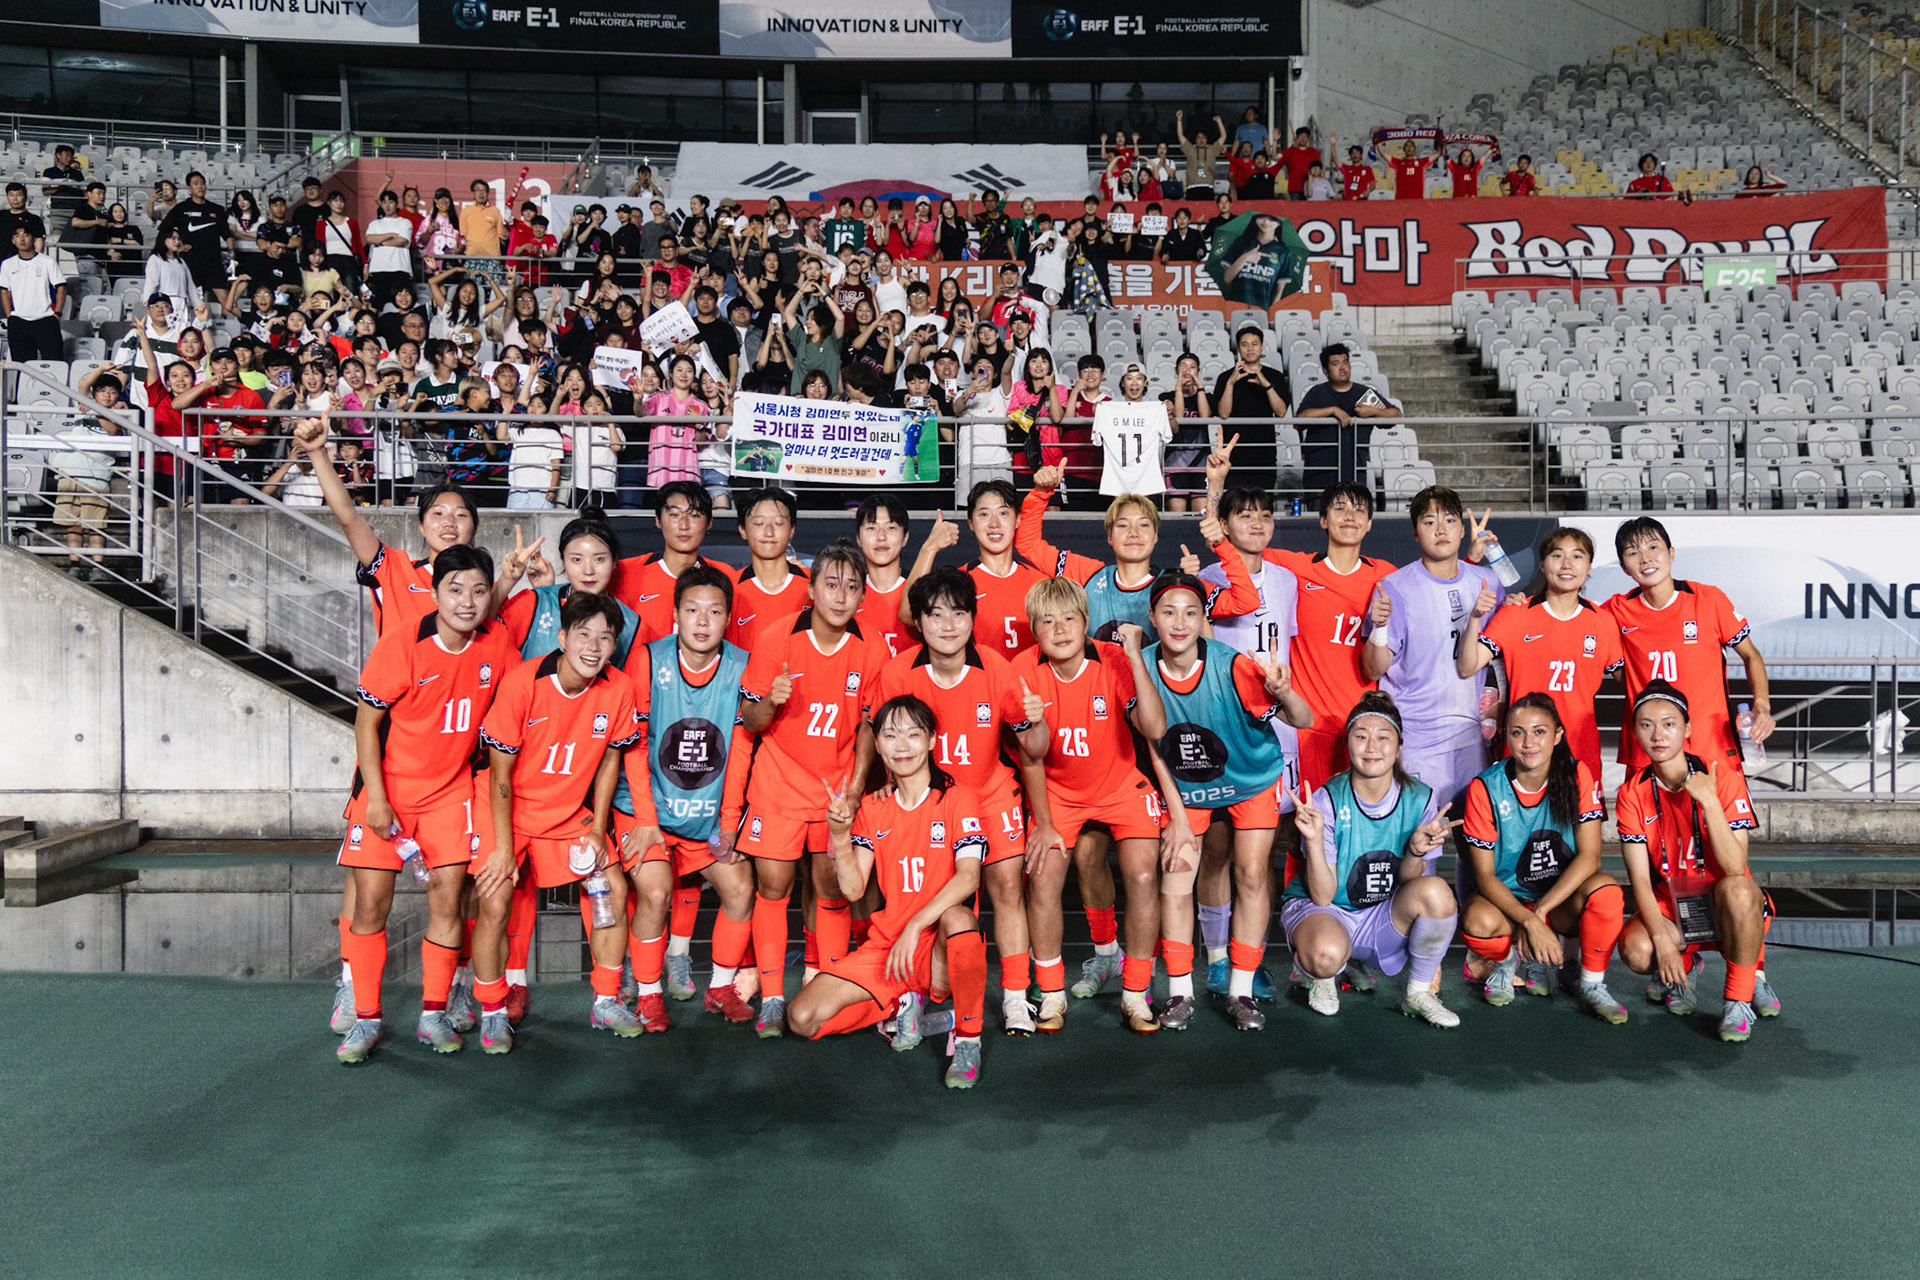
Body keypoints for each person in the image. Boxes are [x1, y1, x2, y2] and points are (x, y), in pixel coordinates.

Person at [331, 545, 520, 1064]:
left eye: (479, 591)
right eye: (455, 589)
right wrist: (377, 798)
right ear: (435, 592)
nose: (467, 601)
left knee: (446, 899)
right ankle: (365, 1017)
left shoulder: (497, 644)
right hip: (387, 792)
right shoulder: (402, 643)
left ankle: (433, 1012)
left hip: (450, 795)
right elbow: (367, 723)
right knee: (371, 904)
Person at [471, 592, 649, 1053]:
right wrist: (504, 847)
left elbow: (611, 760)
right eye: (584, 634)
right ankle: (492, 1008)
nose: (594, 646)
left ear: (614, 645)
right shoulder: (522, 683)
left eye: (605, 638)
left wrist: (596, 829)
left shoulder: (619, 688)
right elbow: (500, 777)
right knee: (495, 897)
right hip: (509, 808)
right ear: (562, 637)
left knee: (611, 886)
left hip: (569, 813)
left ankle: (606, 999)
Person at [785, 694, 991, 1089]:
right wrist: (841, 838)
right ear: (877, 744)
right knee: (802, 1018)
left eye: (913, 735)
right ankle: (902, 1009)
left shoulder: (957, 799)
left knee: (961, 919)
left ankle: (967, 1039)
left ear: (931, 741)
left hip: (937, 948)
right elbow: (853, 888)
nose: (902, 746)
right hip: (887, 948)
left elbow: (969, 878)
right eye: (891, 736)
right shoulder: (873, 809)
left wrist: (914, 926)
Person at [873, 567, 1043, 1035]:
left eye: (959, 613)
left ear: (973, 619)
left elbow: (1036, 747)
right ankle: (918, 992)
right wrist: (887, 780)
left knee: (1007, 888)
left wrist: (1034, 721)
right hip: (929, 805)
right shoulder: (897, 673)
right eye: (935, 614)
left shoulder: (997, 668)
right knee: (926, 902)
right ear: (919, 621)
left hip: (988, 794)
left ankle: (1013, 996)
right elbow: (880, 737)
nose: (948, 625)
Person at [1145, 571, 1312, 1031]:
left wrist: (1283, 691)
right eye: (1169, 612)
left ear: (1204, 619)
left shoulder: (1233, 665)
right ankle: (1179, 993)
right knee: (1177, 871)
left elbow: (1304, 717)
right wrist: (1176, 816)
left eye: (1191, 613)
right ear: (1153, 618)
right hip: (1188, 786)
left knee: (1252, 872)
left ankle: (1241, 989)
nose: (1180, 623)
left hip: (1251, 777)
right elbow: (1152, 744)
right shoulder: (1140, 667)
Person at [736, 540, 884, 1038]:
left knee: (830, 889)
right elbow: (751, 720)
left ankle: (827, 978)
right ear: (812, 588)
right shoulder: (778, 636)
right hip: (777, 783)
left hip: (835, 789)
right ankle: (774, 996)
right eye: (831, 584)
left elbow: (869, 726)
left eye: (851, 587)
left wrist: (857, 787)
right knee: (774, 888)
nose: (840, 596)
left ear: (862, 595)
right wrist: (771, 703)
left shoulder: (872, 647)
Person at [1014, 577, 1170, 1033]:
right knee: (1043, 875)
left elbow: (1156, 728)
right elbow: (1032, 755)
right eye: (1047, 621)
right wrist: (1043, 824)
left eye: (1069, 619)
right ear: (1033, 629)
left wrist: (1137, 660)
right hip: (1059, 791)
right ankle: (1051, 992)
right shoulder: (1023, 670)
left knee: (1142, 874)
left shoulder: (1114, 659)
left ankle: (1137, 993)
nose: (1060, 630)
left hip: (1121, 784)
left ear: (1086, 623)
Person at [1282, 692, 1462, 1026]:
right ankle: (1318, 974)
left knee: (1437, 892)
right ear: (1348, 745)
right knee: (1325, 955)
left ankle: (1418, 994)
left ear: (1399, 748)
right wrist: (1314, 841)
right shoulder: (1327, 798)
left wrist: (1416, 852)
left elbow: (1413, 890)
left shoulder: (1420, 797)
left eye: (1383, 737)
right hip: (1328, 908)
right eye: (1361, 737)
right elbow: (1322, 895)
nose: (1371, 747)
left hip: (1379, 916)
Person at [1614, 681, 1777, 1042]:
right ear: (1635, 731)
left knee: (1738, 889)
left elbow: (1736, 867)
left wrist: (1710, 803)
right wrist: (1663, 943)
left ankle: (1739, 998)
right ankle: (1686, 964)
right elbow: (1639, 879)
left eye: (1669, 724)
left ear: (1687, 729)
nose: (1658, 735)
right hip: (1673, 907)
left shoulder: (1723, 777)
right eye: (1646, 725)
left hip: (1727, 904)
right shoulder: (1630, 794)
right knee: (1638, 951)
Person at [1458, 694, 1628, 1021]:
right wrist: (1528, 921)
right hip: (1508, 902)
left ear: (1558, 736)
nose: (1528, 742)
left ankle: (1591, 984)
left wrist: (1541, 913)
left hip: (1559, 901)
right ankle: (1506, 961)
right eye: (1517, 732)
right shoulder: (1486, 787)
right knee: (1475, 922)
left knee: (1607, 893)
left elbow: (1590, 857)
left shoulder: (1578, 775)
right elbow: (1484, 877)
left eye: (1539, 732)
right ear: (1505, 736)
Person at [1362, 487, 1507, 816]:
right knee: (1416, 843)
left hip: (1469, 737)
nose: (1441, 529)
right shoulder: (1395, 587)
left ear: (1461, 530)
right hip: (1415, 737)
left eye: (1450, 520)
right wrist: (1380, 628)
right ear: (1415, 533)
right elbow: (1372, 669)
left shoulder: (1488, 583)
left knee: (1474, 844)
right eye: (1429, 522)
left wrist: (1497, 559)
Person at [1605, 517, 1772, 774]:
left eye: (1653, 547)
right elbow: (1566, 618)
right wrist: (1521, 605)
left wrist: (1761, 705)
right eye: (1633, 552)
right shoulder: (1615, 611)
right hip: (1648, 749)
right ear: (1624, 567)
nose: (1645, 558)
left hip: (1711, 745)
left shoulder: (1708, 600)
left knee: (1719, 814)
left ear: (1671, 554)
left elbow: (1750, 655)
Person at [1457, 526, 1623, 781]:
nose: (1567, 564)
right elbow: (1467, 666)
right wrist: (1475, 618)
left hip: (1580, 753)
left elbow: (1632, 682)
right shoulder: (1516, 613)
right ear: (1543, 565)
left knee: (1582, 821)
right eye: (1557, 556)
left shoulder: (1603, 622)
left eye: (1577, 556)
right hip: (1523, 754)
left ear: (1589, 568)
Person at [1018, 464, 1254, 639]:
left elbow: (1246, 602)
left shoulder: (1173, 587)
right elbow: (1027, 544)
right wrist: (1041, 493)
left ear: (1155, 536)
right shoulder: (1087, 573)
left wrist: (1222, 545)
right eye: (1122, 525)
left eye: (1143, 525)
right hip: (1100, 698)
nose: (1133, 533)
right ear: (1109, 536)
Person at [901, 481, 1049, 662]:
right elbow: (909, 613)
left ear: (1017, 519)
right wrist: (929, 549)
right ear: (970, 523)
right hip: (980, 685)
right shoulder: (958, 583)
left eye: (1003, 513)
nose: (994, 523)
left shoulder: (1041, 583)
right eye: (984, 514)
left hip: (1030, 687)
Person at [1294, 343, 1403, 492]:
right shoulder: (1317, 392)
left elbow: (1396, 415)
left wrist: (1373, 411)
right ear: (1325, 370)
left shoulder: (1364, 392)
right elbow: (1300, 419)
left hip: (1354, 473)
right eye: (1335, 363)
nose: (1342, 367)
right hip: (1319, 475)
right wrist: (1332, 410)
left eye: (1345, 362)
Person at [53, 369, 127, 580]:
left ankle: (97, 567)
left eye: (112, 392)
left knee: (96, 527)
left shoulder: (121, 414)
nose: (107, 395)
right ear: (94, 393)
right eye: (102, 391)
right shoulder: (82, 405)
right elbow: (84, 385)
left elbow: (113, 431)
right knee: (73, 525)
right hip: (70, 474)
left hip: (97, 479)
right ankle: (75, 565)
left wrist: (97, 411)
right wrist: (102, 369)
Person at [1211, 326, 1290, 495]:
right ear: (1238, 348)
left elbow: (1281, 411)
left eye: (1254, 344)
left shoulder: (1275, 376)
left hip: (1265, 454)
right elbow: (1223, 413)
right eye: (1245, 344)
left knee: (1261, 504)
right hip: (1234, 455)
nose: (1250, 348)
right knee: (1236, 507)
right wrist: (1231, 384)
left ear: (1262, 347)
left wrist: (1266, 384)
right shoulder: (1225, 377)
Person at [852, 493, 916, 659]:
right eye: (871, 528)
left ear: (905, 537)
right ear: (858, 538)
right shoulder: (846, 594)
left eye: (891, 528)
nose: (881, 537)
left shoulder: (923, 590)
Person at [154, 171, 228, 297]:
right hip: (190, 262)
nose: (200, 186)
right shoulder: (181, 209)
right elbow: (164, 231)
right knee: (191, 301)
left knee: (225, 301)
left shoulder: (217, 210)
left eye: (202, 183)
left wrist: (231, 246)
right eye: (195, 184)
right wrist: (178, 248)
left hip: (213, 262)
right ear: (189, 188)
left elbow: (227, 234)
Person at [0, 224, 67, 361]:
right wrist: (10, 316)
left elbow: (61, 287)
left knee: (54, 364)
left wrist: (57, 313)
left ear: (33, 239)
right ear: (13, 240)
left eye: (25, 235)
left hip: (46, 320)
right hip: (19, 322)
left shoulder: (47, 261)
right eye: (17, 236)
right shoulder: (7, 264)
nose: (22, 239)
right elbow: (5, 291)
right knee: (22, 368)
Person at [1176, 110, 1227, 194]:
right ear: (1195, 140)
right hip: (1192, 187)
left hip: (1208, 187)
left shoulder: (1212, 149)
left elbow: (1224, 136)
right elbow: (1180, 136)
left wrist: (1219, 122)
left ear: (1207, 139)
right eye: (1198, 138)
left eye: (1203, 138)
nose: (1201, 140)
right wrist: (1179, 119)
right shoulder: (1190, 149)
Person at [1, 182, 47, 261]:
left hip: (22, 261)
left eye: (19, 195)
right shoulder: (1, 215)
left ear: (25, 197)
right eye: (11, 195)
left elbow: (38, 244)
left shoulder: (34, 219)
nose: (15, 199)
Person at [1279, 127, 1320, 201]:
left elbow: (1320, 169)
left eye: (1305, 136)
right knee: (1296, 211)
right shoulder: (1290, 151)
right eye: (1301, 136)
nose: (1303, 139)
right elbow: (1276, 157)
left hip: (1311, 187)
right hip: (1295, 188)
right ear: (1296, 138)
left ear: (1308, 138)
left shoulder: (1313, 151)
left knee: (1311, 211)